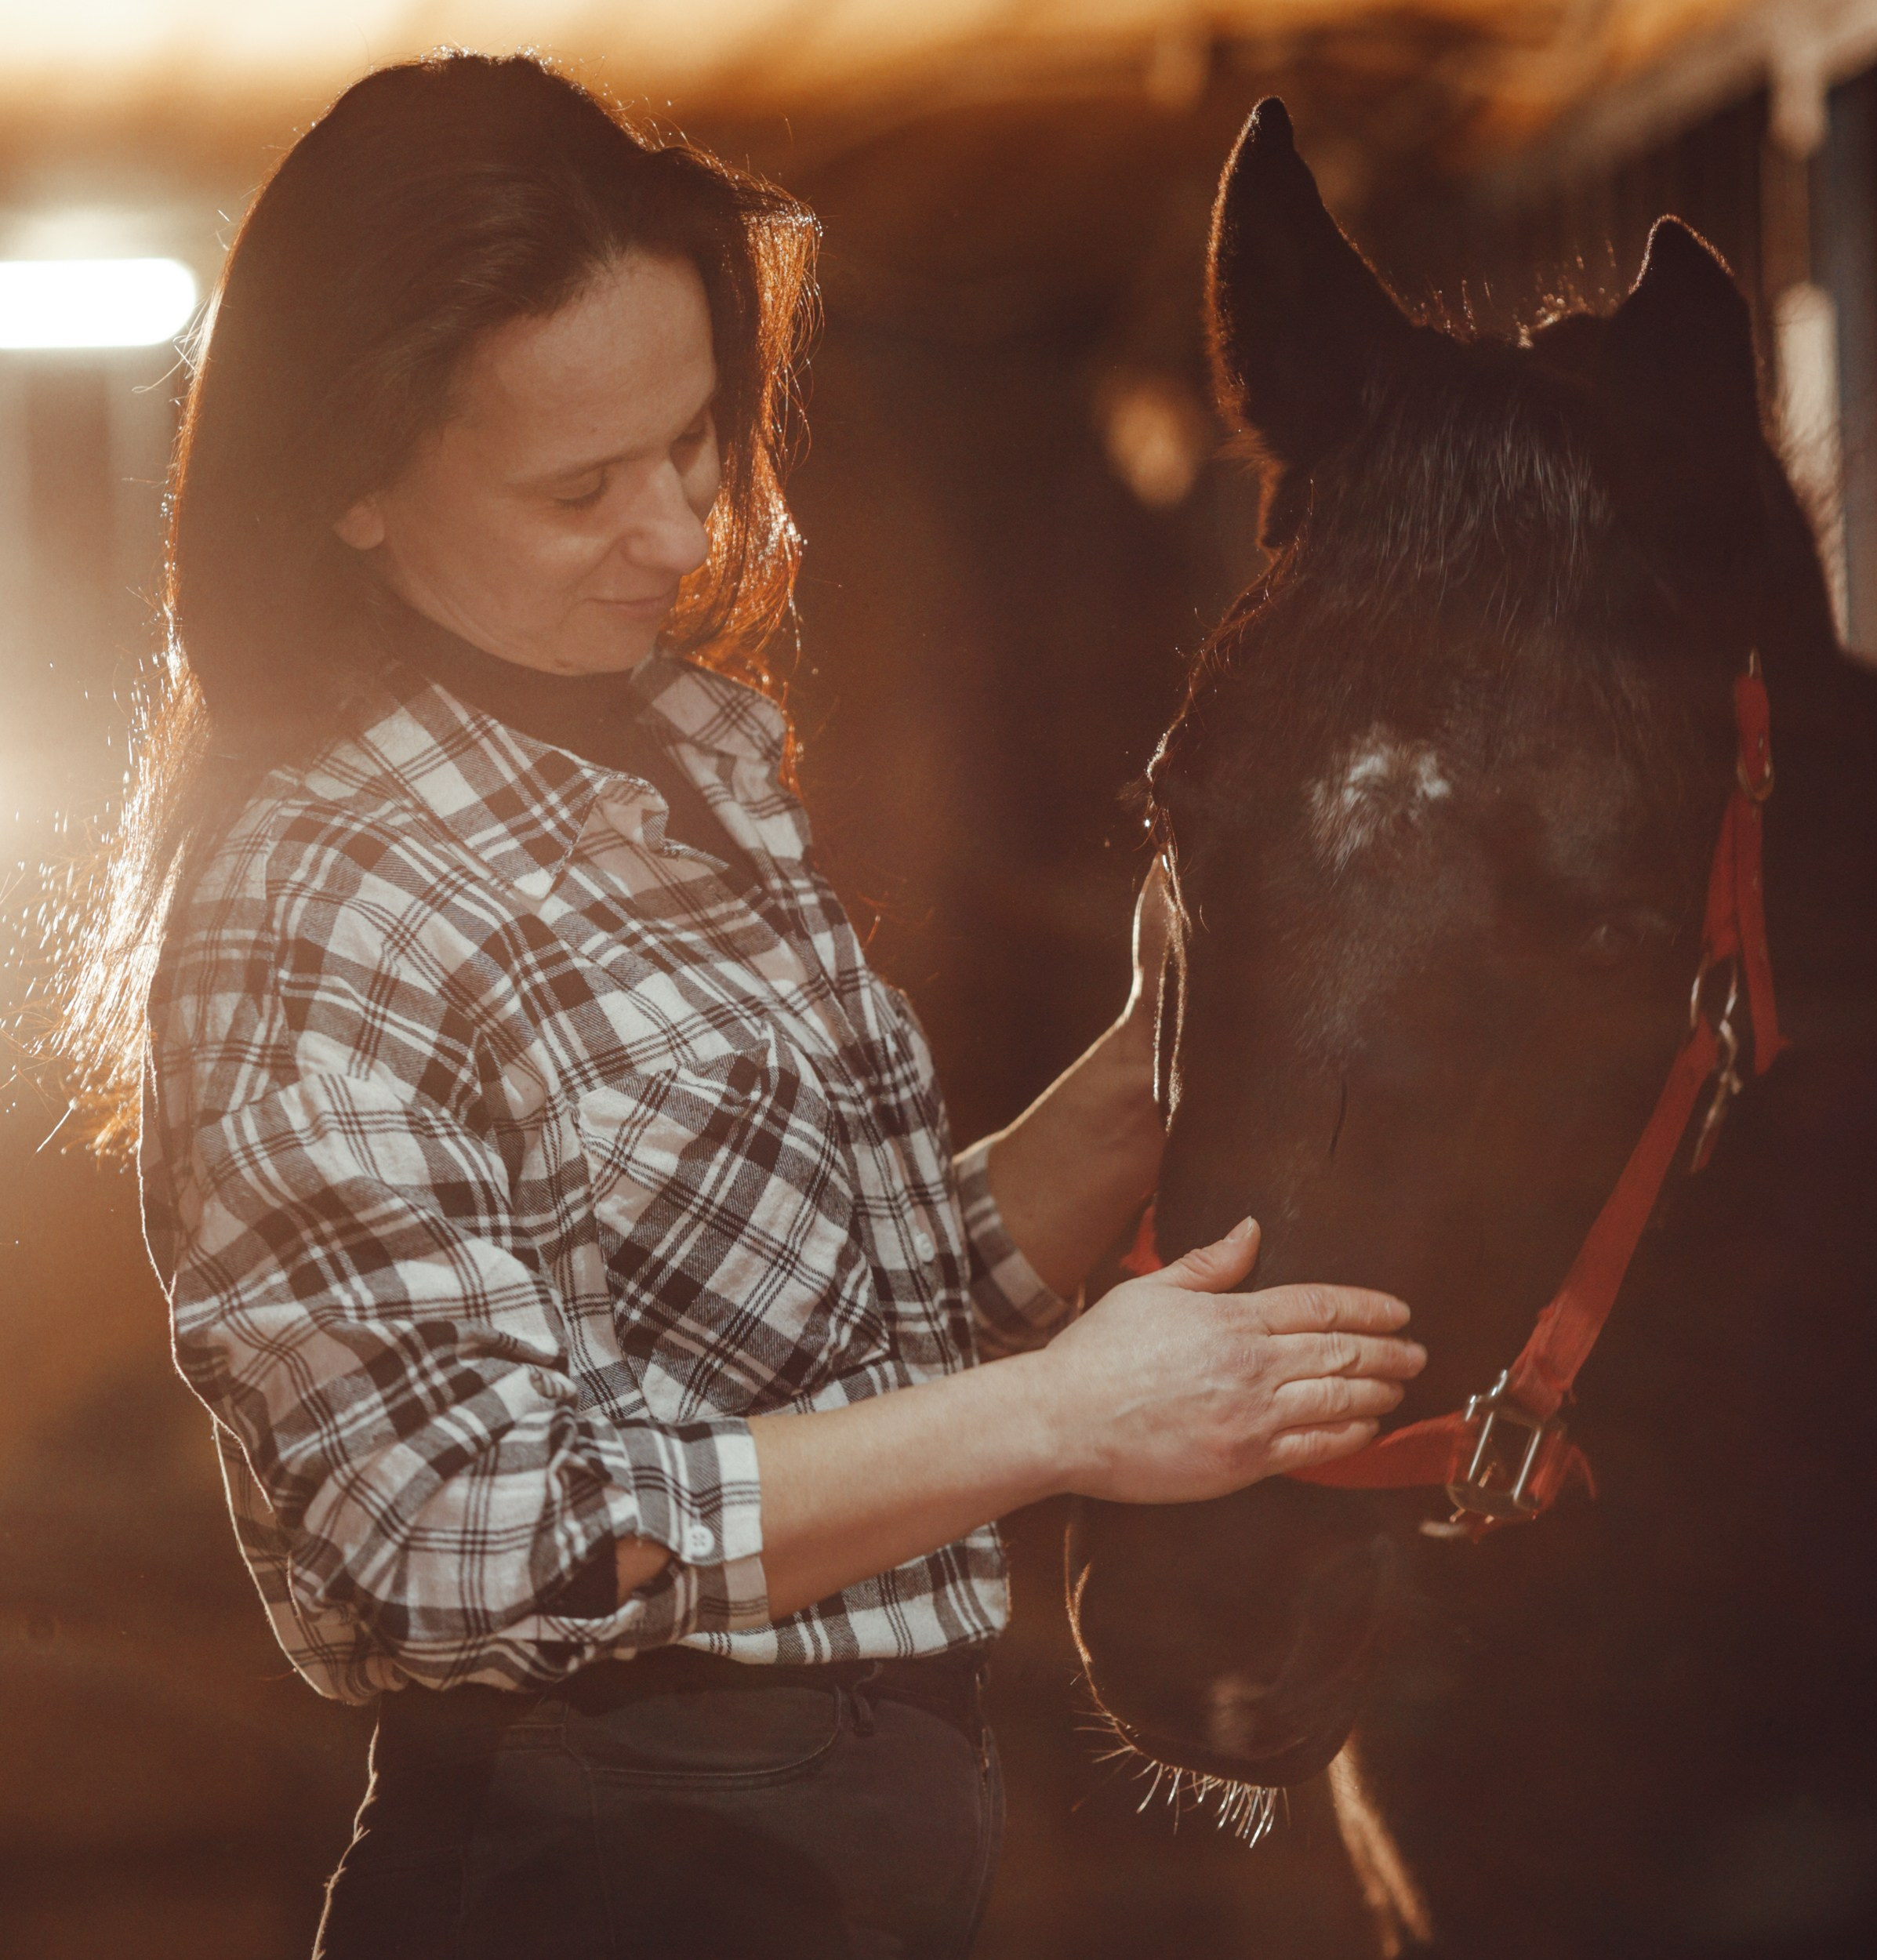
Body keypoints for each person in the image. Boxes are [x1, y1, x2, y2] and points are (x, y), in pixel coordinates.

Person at [65, 52, 1425, 1960]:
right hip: (599, 1858)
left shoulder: (677, 766)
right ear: (351, 491)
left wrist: (1136, 1080)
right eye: (579, 486)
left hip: (832, 1831)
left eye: (697, 442)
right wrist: (1056, 1418)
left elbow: (838, 1331)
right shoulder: (320, 896)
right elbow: (461, 1534)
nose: (677, 533)